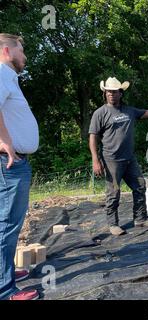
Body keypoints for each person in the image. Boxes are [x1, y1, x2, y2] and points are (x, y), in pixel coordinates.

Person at [89, 77, 148, 236]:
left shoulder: (129, 111)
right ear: (105, 93)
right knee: (113, 192)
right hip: (111, 159)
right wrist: (95, 159)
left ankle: (140, 219)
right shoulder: (100, 113)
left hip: (129, 159)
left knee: (140, 186)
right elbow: (93, 137)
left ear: (121, 93)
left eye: (115, 91)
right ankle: (113, 224)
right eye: (108, 92)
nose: (111, 94)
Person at [0, 33, 40, 300]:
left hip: (13, 163)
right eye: (21, 50)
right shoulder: (2, 73)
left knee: (9, 222)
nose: (24, 56)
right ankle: (4, 290)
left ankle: (6, 275)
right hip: (10, 163)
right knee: (6, 223)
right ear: (7, 50)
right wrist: (4, 142)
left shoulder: (8, 77)